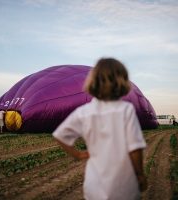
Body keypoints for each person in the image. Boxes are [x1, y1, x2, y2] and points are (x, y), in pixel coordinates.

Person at [53, 58, 147, 200]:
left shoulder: (84, 112)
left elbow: (60, 135)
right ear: (122, 82)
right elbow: (134, 148)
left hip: (94, 186)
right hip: (124, 186)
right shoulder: (125, 110)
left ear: (93, 82)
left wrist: (77, 154)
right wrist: (140, 174)